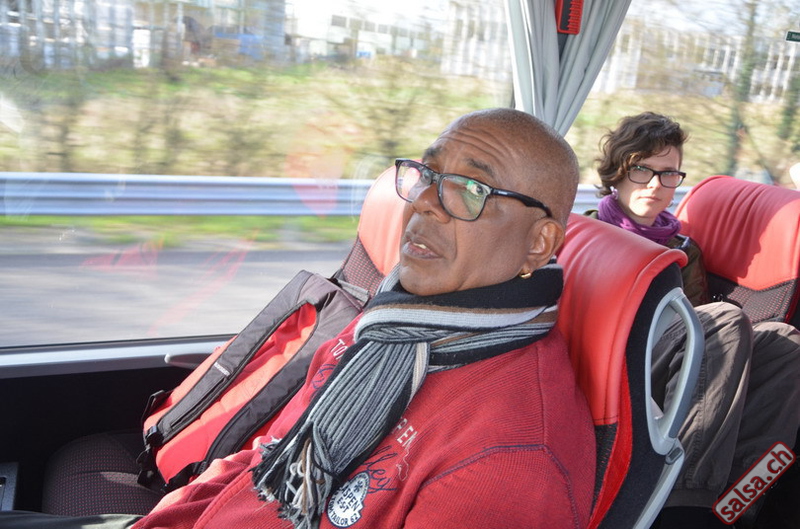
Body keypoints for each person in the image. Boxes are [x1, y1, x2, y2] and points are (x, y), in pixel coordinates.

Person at [0, 108, 596, 528]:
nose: (423, 203)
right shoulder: (391, 328)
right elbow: (268, 452)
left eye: (470, 189)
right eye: (428, 176)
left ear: (539, 243)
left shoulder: (514, 458)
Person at [587, 111, 800, 529]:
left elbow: (693, 324)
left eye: (668, 174)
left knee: (784, 341)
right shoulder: (591, 231)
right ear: (618, 172)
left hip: (671, 359)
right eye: (642, 169)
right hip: (618, 360)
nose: (655, 185)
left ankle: (738, 500)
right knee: (726, 320)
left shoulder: (684, 249)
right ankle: (684, 505)